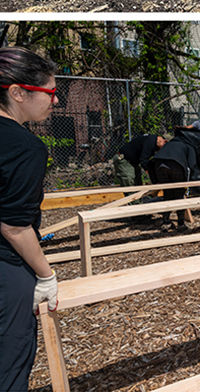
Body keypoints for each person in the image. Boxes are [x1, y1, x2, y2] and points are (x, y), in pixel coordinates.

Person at [0, 48, 60, 392]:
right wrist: (45, 274)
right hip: (6, 269)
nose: (55, 101)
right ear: (18, 93)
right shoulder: (26, 146)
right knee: (9, 365)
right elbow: (14, 225)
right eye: (50, 93)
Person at [149, 133, 200, 231]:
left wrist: (155, 181)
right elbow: (192, 165)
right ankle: (180, 223)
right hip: (176, 164)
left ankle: (166, 222)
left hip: (158, 165)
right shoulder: (188, 145)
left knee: (167, 194)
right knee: (179, 194)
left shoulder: (168, 144)